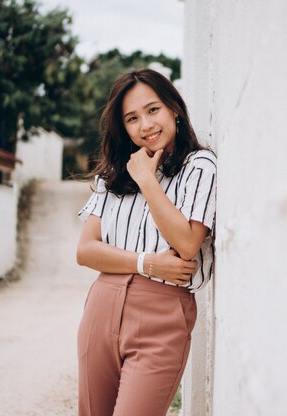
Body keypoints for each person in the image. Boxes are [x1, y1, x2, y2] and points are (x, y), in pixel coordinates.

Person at [74, 68, 217, 416]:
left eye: (153, 110)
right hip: (102, 306)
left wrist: (147, 181)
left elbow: (186, 244)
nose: (146, 125)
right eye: (132, 118)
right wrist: (147, 263)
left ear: (174, 109)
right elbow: (86, 250)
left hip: (163, 315)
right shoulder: (113, 175)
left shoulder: (199, 167)